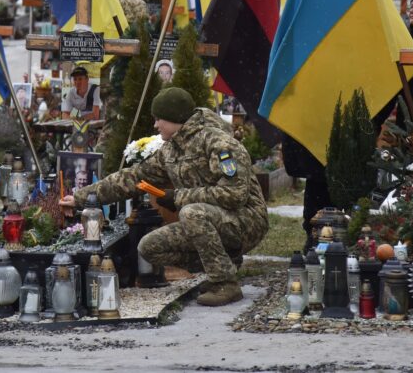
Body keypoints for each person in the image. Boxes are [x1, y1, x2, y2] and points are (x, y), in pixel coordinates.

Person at [60, 87, 268, 306]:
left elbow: (234, 194)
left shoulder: (219, 144)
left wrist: (178, 197)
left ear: (175, 118)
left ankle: (225, 283)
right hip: (211, 220)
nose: (155, 125)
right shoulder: (170, 151)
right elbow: (132, 177)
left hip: (247, 220)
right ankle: (225, 265)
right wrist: (80, 199)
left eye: (159, 119)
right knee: (149, 247)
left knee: (191, 212)